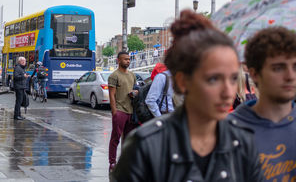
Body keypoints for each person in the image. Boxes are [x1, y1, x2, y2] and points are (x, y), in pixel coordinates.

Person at [112, 10, 263, 181]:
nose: (228, 91)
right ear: (183, 81)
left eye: (233, 79)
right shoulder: (144, 146)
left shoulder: (242, 142)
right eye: (214, 79)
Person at [229, 26, 296, 181]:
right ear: (254, 74)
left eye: (295, 67)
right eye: (278, 68)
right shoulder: (229, 132)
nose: (290, 76)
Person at [107, 51, 137, 173]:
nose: (128, 61)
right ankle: (112, 163)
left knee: (129, 139)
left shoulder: (132, 75)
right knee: (116, 138)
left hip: (131, 111)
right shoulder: (114, 76)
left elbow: (136, 90)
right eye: (125, 59)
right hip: (120, 111)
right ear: (118, 60)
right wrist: (115, 111)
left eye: (129, 59)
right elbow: (112, 95)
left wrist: (136, 93)